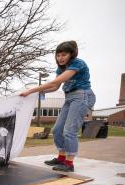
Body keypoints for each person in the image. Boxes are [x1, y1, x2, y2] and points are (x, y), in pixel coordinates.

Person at [20, 41, 96, 172]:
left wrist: (31, 90)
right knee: (57, 130)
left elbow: (55, 81)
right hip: (69, 97)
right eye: (58, 55)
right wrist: (39, 92)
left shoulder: (78, 64)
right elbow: (55, 87)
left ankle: (69, 163)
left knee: (69, 130)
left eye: (64, 55)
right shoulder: (61, 68)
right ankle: (61, 158)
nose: (60, 58)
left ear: (71, 54)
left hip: (82, 96)